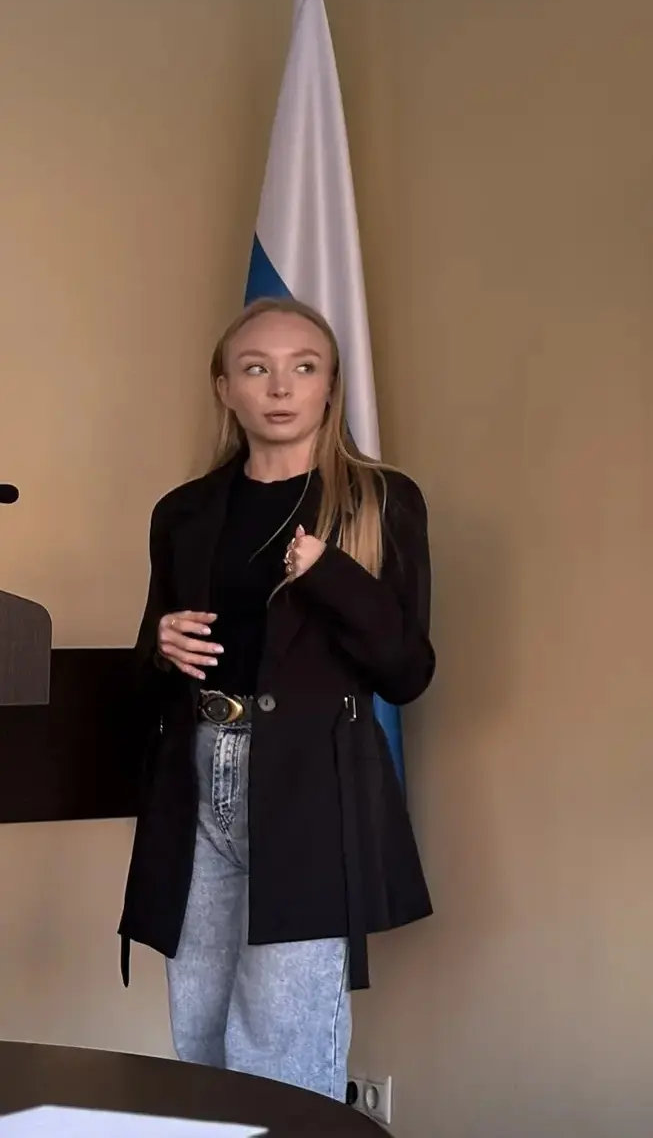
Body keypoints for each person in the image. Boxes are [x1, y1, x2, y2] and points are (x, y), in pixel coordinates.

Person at [118, 297, 435, 1100]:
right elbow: (144, 674)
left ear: (332, 385)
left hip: (308, 785)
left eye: (304, 367)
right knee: (199, 1027)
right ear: (224, 387)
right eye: (256, 368)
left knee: (278, 1037)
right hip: (195, 776)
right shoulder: (184, 511)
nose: (281, 387)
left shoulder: (382, 501)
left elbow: (407, 670)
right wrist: (161, 646)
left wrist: (331, 575)